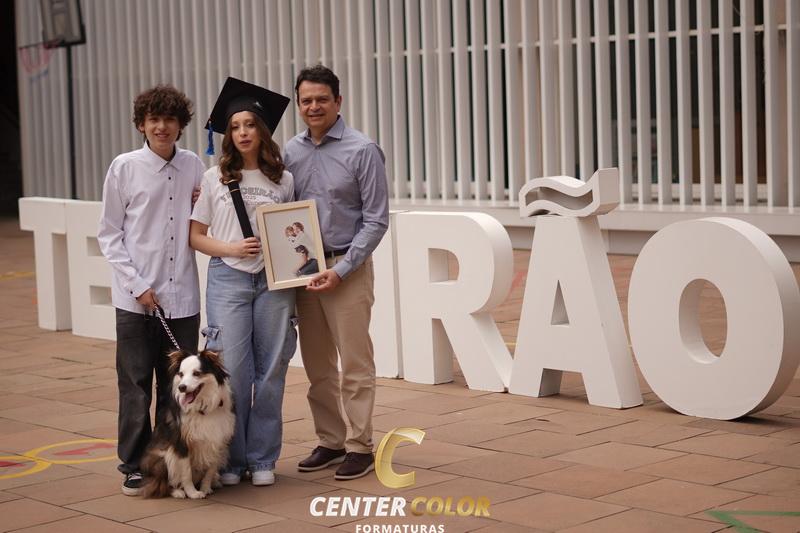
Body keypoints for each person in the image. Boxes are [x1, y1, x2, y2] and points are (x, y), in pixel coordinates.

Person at [98, 85, 205, 496]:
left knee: (178, 388)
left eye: (169, 120)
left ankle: (169, 461)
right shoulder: (124, 167)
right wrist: (138, 285)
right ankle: (134, 464)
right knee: (136, 385)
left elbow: (203, 219)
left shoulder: (194, 165)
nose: (162, 127)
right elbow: (109, 234)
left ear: (181, 125)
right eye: (153, 120)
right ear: (141, 124)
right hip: (136, 300)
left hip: (183, 300)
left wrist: (203, 201)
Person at [284, 64, 389, 480]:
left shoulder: (363, 150)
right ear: (298, 104)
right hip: (306, 271)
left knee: (355, 363)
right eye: (306, 100)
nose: (314, 106)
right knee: (318, 366)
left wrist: (342, 270)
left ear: (338, 101)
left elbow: (376, 220)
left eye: (322, 99)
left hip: (348, 267)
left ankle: (361, 446)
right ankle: (330, 441)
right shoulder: (290, 151)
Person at [189, 77, 295, 487]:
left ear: (262, 130)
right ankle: (232, 462)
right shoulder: (215, 177)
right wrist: (231, 248)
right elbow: (196, 236)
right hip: (229, 278)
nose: (243, 132)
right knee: (231, 372)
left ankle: (263, 458)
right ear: (228, 134)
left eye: (250, 124)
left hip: (274, 282)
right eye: (235, 126)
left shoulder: (282, 180)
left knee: (271, 371)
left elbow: (292, 231)